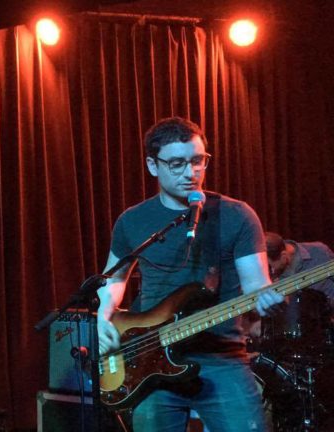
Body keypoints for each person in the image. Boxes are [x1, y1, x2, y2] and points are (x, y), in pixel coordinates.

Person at [96, 117, 284, 432]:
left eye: (198, 161)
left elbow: (256, 285)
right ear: (152, 166)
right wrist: (103, 316)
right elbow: (114, 277)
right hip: (150, 358)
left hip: (220, 356)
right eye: (177, 163)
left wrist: (266, 299)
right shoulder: (133, 221)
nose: (191, 172)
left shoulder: (236, 215)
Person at [255, 232, 334, 352]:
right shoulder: (270, 274)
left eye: (270, 267)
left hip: (326, 331)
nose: (269, 273)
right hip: (291, 339)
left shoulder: (319, 252)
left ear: (284, 255)